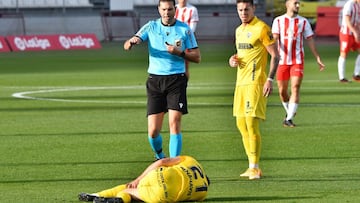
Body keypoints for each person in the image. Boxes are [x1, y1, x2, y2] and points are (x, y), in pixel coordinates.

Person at [123, 0, 201, 159]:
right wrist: (131, 43)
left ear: (175, 9)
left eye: (170, 9)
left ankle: (173, 163)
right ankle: (160, 156)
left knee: (175, 123)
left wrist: (179, 52)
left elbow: (197, 57)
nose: (167, 13)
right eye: (164, 9)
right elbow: (127, 43)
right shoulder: (151, 26)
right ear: (159, 10)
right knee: (152, 132)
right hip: (155, 81)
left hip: (176, 80)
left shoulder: (184, 29)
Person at [228, 0, 279, 180]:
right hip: (240, 84)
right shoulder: (238, 30)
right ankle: (250, 167)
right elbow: (241, 55)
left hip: (255, 82)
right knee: (241, 125)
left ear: (253, 9)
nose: (243, 13)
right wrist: (232, 60)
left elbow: (275, 55)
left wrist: (270, 79)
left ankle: (255, 167)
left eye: (246, 9)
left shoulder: (262, 28)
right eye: (240, 10)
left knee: (251, 123)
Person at [272, 0, 325, 127]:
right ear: (287, 4)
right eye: (295, 3)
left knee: (295, 87)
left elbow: (310, 40)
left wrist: (317, 57)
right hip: (282, 61)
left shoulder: (303, 22)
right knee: (282, 91)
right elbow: (274, 40)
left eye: (298, 3)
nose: (297, 5)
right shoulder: (278, 21)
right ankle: (290, 111)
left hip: (297, 60)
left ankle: (288, 119)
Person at [78, 155, 210, 203]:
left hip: (160, 174)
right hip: (163, 195)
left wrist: (138, 179)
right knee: (129, 193)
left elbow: (162, 161)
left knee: (129, 186)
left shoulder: (192, 161)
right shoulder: (202, 194)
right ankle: (118, 199)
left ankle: (95, 195)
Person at [175, 0, 199, 79]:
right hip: (175, 40)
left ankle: (183, 85)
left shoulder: (192, 9)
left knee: (185, 64)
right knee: (174, 62)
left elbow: (192, 28)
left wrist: (183, 38)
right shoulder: (173, 8)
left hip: (187, 39)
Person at [338, 0, 360, 83]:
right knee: (344, 54)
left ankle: (356, 74)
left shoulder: (358, 5)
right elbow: (347, 20)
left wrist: (358, 31)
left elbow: (357, 22)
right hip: (346, 33)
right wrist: (354, 31)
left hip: (354, 33)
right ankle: (342, 77)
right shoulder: (349, 4)